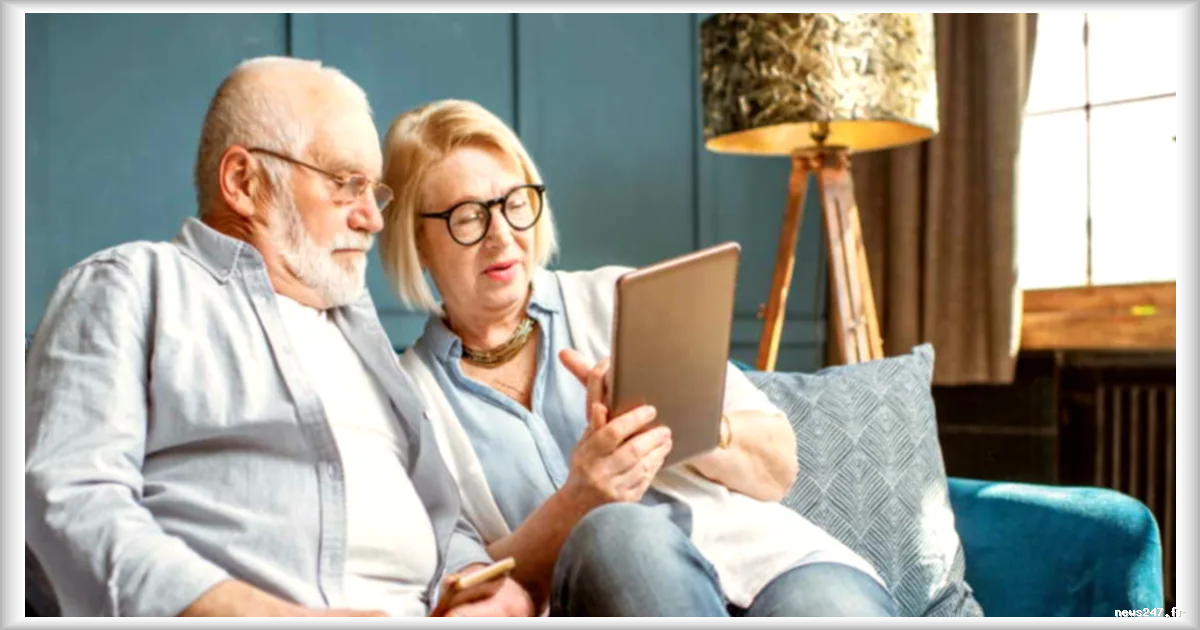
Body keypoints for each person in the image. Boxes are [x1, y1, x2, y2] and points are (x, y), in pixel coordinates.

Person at [23, 58, 533, 618]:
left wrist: (482, 587)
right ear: (244, 182)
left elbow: (440, 527)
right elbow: (67, 503)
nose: (373, 219)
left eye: (375, 191)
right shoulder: (133, 286)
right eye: (346, 183)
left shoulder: (364, 344)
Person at [376, 98, 901, 617]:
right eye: (468, 217)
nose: (502, 235)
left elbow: (778, 466)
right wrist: (580, 501)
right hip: (614, 593)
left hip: (769, 568)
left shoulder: (618, 298)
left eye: (515, 202)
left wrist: (678, 418)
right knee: (616, 532)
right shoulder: (407, 406)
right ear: (416, 240)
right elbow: (469, 588)